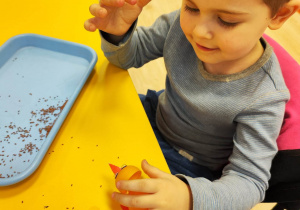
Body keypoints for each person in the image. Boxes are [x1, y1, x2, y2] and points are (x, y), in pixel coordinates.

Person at [84, 0, 300, 209]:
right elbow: (130, 55)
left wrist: (188, 196)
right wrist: (119, 32)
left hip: (189, 167)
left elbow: (249, 181)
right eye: (191, 7)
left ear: (280, 14)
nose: (198, 31)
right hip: (154, 114)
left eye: (226, 20)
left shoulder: (265, 97)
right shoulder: (179, 26)